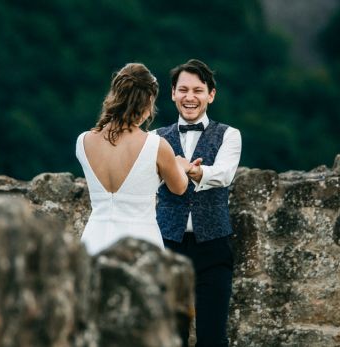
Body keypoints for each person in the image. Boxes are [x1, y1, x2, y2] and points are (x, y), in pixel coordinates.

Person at [155, 59, 242, 347]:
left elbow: (225, 174)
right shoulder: (156, 138)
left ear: (211, 95)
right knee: (170, 337)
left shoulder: (229, 135)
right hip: (168, 244)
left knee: (213, 337)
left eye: (197, 90)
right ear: (172, 93)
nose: (189, 97)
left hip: (213, 244)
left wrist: (192, 170)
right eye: (183, 90)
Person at [76, 62, 190, 255]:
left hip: (92, 243)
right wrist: (181, 166)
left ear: (115, 96)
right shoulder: (156, 145)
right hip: (141, 246)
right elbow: (179, 187)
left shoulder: (83, 141)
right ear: (148, 101)